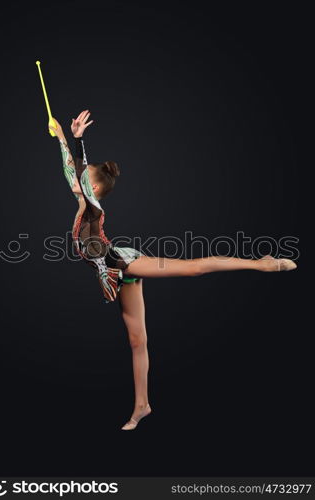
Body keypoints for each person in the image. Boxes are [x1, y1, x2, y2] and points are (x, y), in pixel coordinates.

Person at [49, 110, 297, 430]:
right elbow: (76, 173)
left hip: (122, 260)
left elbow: (77, 174)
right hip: (115, 272)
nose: (77, 183)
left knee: (192, 269)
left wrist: (73, 139)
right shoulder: (85, 201)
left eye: (85, 182)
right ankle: (142, 405)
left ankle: (261, 264)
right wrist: (67, 138)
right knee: (138, 341)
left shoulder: (92, 207)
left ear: (94, 189)